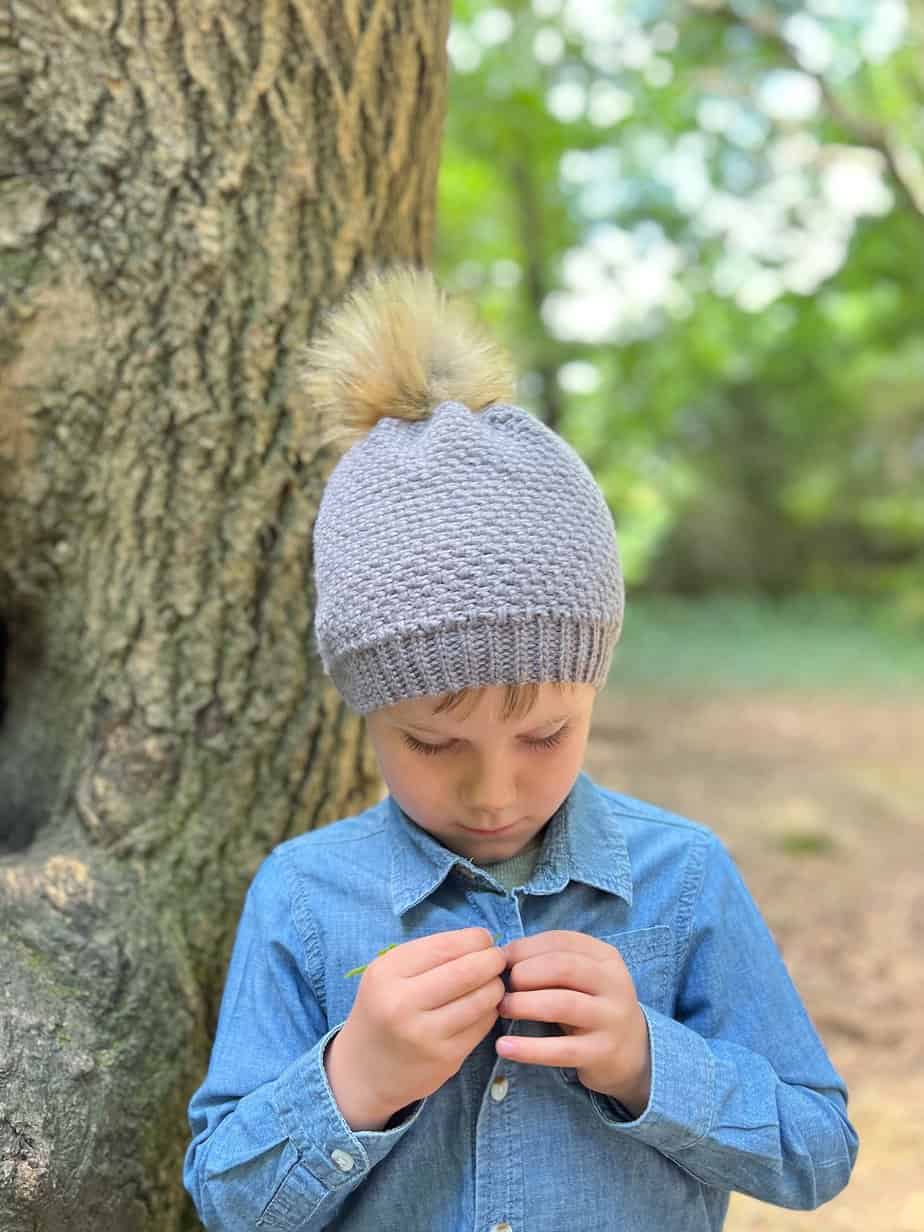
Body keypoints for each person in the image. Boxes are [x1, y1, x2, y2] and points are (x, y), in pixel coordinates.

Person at [183, 266, 858, 1232]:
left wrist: (646, 1062)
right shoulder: (303, 897)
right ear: (367, 713)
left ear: (594, 691)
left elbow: (817, 1151)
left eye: (545, 734)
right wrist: (354, 1081)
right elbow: (226, 1202)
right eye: (431, 741)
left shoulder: (684, 878)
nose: (493, 790)